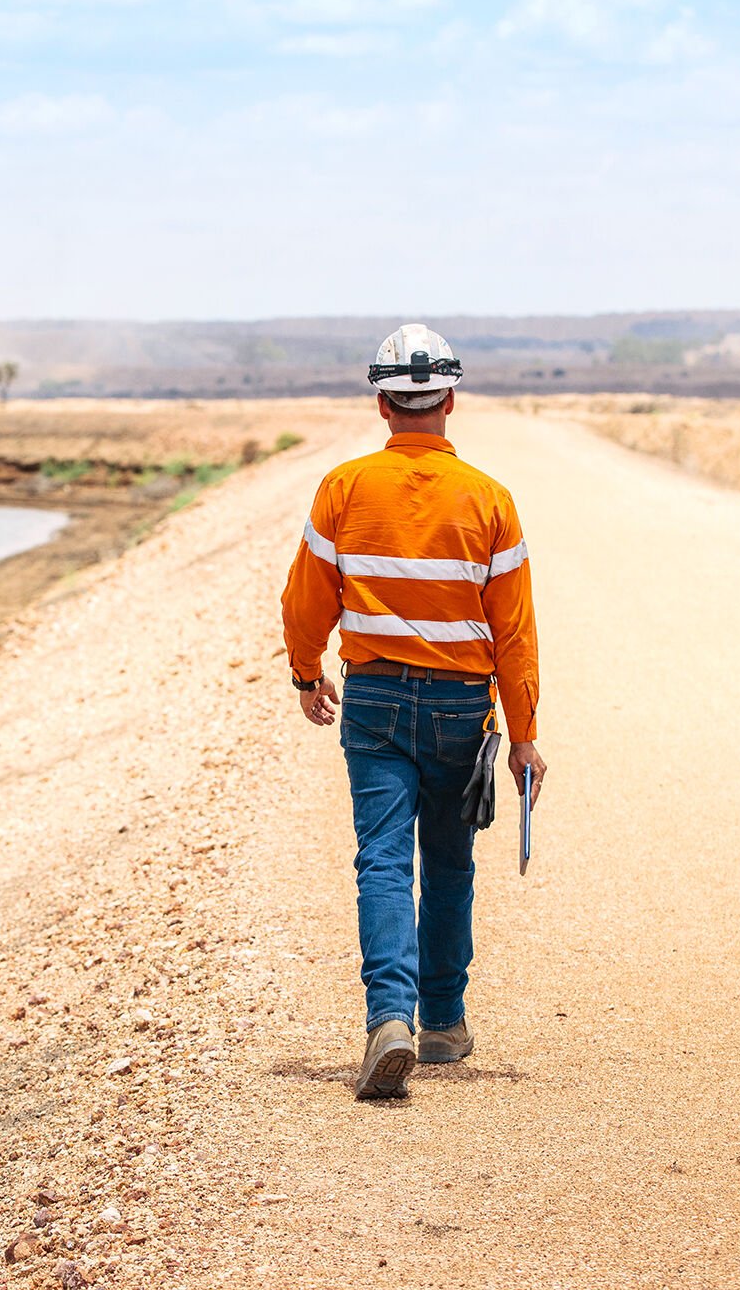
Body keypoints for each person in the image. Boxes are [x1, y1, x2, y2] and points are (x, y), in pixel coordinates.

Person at [280, 323, 546, 1100]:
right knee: (450, 863)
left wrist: (305, 673)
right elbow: (514, 634)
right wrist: (523, 737)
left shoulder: (343, 488)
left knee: (383, 860)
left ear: (382, 405)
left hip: (374, 700)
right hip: (463, 709)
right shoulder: (489, 499)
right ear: (449, 400)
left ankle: (388, 1020)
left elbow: (305, 601)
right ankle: (443, 1024)